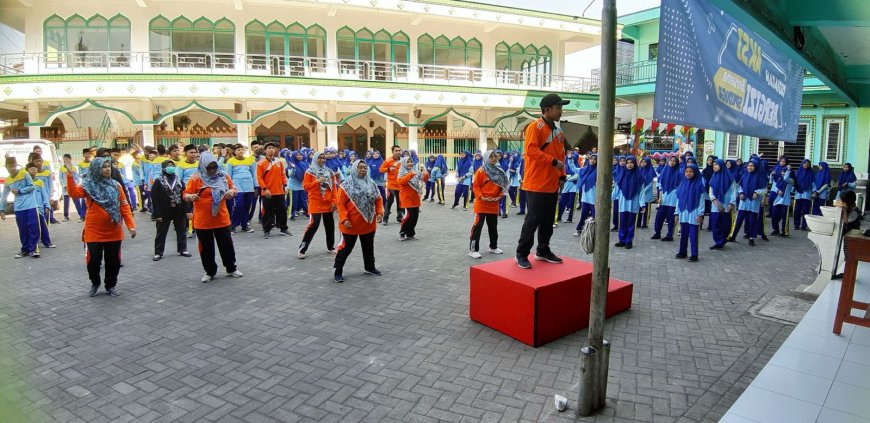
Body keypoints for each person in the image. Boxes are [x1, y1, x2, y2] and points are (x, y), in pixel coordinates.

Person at [65, 158, 137, 296]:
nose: (107, 169)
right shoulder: (88, 185)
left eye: (108, 167)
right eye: (104, 167)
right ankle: (95, 282)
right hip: (94, 231)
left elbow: (124, 206)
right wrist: (69, 175)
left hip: (114, 230)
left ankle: (110, 285)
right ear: (96, 169)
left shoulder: (116, 186)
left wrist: (130, 226)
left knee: (113, 262)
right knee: (93, 261)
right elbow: (73, 193)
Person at [515, 93, 568, 269]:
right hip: (536, 183)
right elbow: (531, 150)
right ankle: (522, 253)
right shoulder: (534, 127)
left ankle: (543, 249)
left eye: (561, 108)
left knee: (547, 221)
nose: (561, 111)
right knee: (533, 220)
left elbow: (561, 155)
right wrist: (553, 162)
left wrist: (562, 175)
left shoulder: (559, 131)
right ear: (547, 109)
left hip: (552, 184)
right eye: (558, 107)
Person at [183, 152, 242, 283]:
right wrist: (190, 197)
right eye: (209, 168)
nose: (212, 170)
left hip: (221, 218)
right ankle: (210, 271)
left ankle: (231, 268)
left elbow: (233, 188)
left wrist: (231, 192)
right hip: (203, 220)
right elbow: (186, 193)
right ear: (203, 166)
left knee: (226, 245)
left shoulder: (223, 175)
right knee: (206, 248)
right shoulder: (196, 178)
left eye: (214, 167)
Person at [333, 159, 384, 282]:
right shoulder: (345, 185)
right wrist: (344, 219)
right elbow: (341, 204)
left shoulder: (371, 183)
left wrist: (379, 212)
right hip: (351, 223)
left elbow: (378, 199)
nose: (363, 170)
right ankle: (338, 271)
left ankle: (370, 267)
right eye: (360, 167)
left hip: (368, 222)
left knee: (368, 246)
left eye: (365, 168)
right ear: (355, 169)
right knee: (346, 248)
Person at [469, 150, 508, 258]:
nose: (494, 159)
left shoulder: (500, 171)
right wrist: (481, 197)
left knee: (493, 226)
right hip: (482, 203)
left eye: (495, 156)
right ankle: (473, 250)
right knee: (477, 226)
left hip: (493, 203)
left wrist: (499, 196)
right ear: (486, 158)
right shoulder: (481, 171)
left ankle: (493, 246)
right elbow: (476, 186)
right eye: (491, 157)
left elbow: (503, 186)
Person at [150, 160, 192, 261]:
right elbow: (154, 198)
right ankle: (158, 252)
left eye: (172, 165)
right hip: (164, 211)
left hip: (179, 209)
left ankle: (183, 249)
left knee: (182, 230)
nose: (170, 167)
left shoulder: (178, 180)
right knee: (161, 232)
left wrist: (188, 211)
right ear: (163, 168)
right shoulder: (158, 181)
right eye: (168, 166)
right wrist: (157, 214)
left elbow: (184, 196)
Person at [0, 157, 42, 258]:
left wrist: (19, 191)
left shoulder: (24, 173)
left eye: (14, 166)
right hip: (19, 208)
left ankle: (34, 249)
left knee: (33, 227)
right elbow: (4, 195)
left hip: (31, 205)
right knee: (22, 229)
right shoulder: (8, 180)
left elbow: (32, 186)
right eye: (10, 166)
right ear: (6, 167)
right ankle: (25, 250)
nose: (12, 168)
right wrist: (2, 210)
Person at [299, 152, 338, 258]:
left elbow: (334, 188)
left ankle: (331, 247)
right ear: (315, 159)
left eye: (323, 158)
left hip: (328, 202)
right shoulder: (310, 171)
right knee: (313, 225)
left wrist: (335, 201)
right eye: (319, 158)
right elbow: (306, 187)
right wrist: (317, 181)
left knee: (330, 226)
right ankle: (302, 249)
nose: (322, 160)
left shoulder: (329, 172)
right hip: (315, 202)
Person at [257, 142, 290, 238]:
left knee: (282, 210)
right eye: (269, 148)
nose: (271, 149)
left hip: (279, 191)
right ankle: (267, 230)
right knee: (267, 212)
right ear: (265, 150)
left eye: (273, 148)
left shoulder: (279, 162)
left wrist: (285, 186)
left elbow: (283, 175)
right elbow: (259, 178)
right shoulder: (261, 163)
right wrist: (265, 189)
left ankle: (283, 228)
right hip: (267, 192)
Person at [729, 159, 766, 246]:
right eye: (749, 166)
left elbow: (764, 189)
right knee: (739, 219)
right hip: (744, 200)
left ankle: (751, 238)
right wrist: (741, 193)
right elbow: (740, 186)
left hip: (754, 201)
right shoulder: (745, 175)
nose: (750, 167)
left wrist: (757, 192)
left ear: (756, 167)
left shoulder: (760, 176)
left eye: (752, 166)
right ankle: (733, 236)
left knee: (752, 220)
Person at [675, 163, 706, 262]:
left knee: (693, 234)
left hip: (694, 212)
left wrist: (701, 214)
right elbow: (678, 199)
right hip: (683, 211)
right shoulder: (682, 183)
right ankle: (682, 252)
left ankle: (694, 254)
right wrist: (676, 213)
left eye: (691, 172)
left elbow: (701, 200)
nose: (688, 173)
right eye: (687, 172)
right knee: (683, 233)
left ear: (695, 173)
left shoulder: (699, 185)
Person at [226, 144, 257, 232]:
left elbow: (254, 174)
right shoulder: (231, 161)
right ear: (235, 152)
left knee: (247, 206)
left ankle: (244, 225)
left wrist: (256, 187)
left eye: (242, 149)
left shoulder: (250, 161)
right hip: (237, 187)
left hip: (249, 187)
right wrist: (229, 188)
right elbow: (228, 176)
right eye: (238, 150)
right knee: (238, 206)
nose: (241, 151)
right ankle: (233, 225)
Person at [614, 156, 644, 249]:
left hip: (633, 204)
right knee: (622, 222)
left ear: (635, 164)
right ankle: (622, 240)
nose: (629, 165)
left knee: (631, 223)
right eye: (628, 163)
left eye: (631, 163)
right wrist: (610, 199)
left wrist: (642, 204)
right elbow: (616, 189)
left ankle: (629, 241)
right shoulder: (621, 175)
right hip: (623, 203)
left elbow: (642, 192)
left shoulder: (639, 176)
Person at [397, 156, 429, 240]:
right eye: (408, 162)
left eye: (411, 162)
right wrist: (411, 174)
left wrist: (425, 174)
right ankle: (402, 233)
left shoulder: (414, 171)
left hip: (415, 197)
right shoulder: (401, 172)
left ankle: (410, 234)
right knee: (408, 216)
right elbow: (401, 182)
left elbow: (423, 179)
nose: (410, 163)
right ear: (404, 163)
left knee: (415, 216)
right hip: (406, 198)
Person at [651, 155, 681, 241]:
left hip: (673, 197)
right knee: (660, 216)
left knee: (671, 217)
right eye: (671, 160)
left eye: (674, 161)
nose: (672, 162)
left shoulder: (679, 173)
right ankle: (657, 233)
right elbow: (660, 183)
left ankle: (670, 235)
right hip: (664, 196)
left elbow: (681, 186)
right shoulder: (665, 171)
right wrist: (660, 196)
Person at [708, 159, 735, 250]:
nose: (714, 166)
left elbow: (733, 192)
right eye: (713, 165)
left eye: (716, 165)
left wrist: (731, 203)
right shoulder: (713, 178)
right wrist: (717, 204)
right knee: (715, 225)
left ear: (721, 166)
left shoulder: (730, 178)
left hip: (727, 205)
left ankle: (723, 240)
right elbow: (711, 193)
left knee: (726, 225)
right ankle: (718, 242)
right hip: (716, 206)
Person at [380, 145, 404, 224]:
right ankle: (385, 218)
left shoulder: (403, 160)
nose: (398, 152)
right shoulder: (388, 161)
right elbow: (381, 169)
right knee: (389, 201)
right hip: (391, 186)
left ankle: (400, 217)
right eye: (396, 151)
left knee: (400, 202)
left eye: (399, 150)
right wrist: (388, 169)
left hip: (401, 185)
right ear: (392, 152)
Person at [574, 154, 597, 235]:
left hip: (594, 198)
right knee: (584, 214)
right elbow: (574, 169)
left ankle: (593, 232)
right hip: (585, 198)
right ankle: (580, 229)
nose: (592, 160)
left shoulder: (598, 171)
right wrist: (570, 159)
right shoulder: (584, 169)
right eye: (591, 159)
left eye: (594, 159)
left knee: (595, 216)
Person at [770, 161, 794, 237]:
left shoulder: (791, 180)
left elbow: (786, 178)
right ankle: (776, 230)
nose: (783, 173)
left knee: (785, 217)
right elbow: (775, 187)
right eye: (782, 172)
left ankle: (785, 232)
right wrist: (778, 190)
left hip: (785, 202)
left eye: (785, 172)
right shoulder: (780, 179)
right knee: (774, 216)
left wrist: (789, 170)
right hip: (777, 201)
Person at [60, 154, 85, 222]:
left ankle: (81, 215)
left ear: (70, 159)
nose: (66, 160)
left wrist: (75, 184)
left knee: (76, 201)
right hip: (65, 189)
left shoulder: (74, 168)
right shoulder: (62, 168)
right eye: (65, 159)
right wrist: (64, 185)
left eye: (68, 159)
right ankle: (66, 216)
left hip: (73, 188)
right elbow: (60, 178)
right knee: (66, 203)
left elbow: (77, 178)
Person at [793, 159, 814, 231]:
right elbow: (794, 181)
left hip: (807, 193)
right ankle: (796, 225)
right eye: (805, 163)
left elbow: (813, 183)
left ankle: (804, 226)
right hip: (798, 193)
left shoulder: (811, 173)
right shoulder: (798, 172)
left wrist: (814, 191)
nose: (806, 165)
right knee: (797, 210)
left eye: (808, 164)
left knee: (806, 210)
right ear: (802, 164)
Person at [288, 149, 309, 221]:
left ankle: (307, 212)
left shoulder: (303, 164)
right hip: (293, 186)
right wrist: (294, 168)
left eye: (300, 155)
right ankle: (291, 215)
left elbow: (307, 173)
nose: (299, 156)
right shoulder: (291, 164)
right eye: (297, 155)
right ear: (294, 156)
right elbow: (290, 175)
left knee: (304, 200)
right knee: (294, 201)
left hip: (302, 185)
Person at [637, 156, 656, 228]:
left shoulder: (650, 170)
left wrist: (644, 190)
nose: (643, 163)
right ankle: (638, 222)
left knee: (647, 209)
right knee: (639, 208)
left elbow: (651, 183)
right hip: (640, 192)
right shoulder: (640, 170)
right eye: (642, 162)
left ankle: (645, 223)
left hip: (647, 193)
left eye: (645, 162)